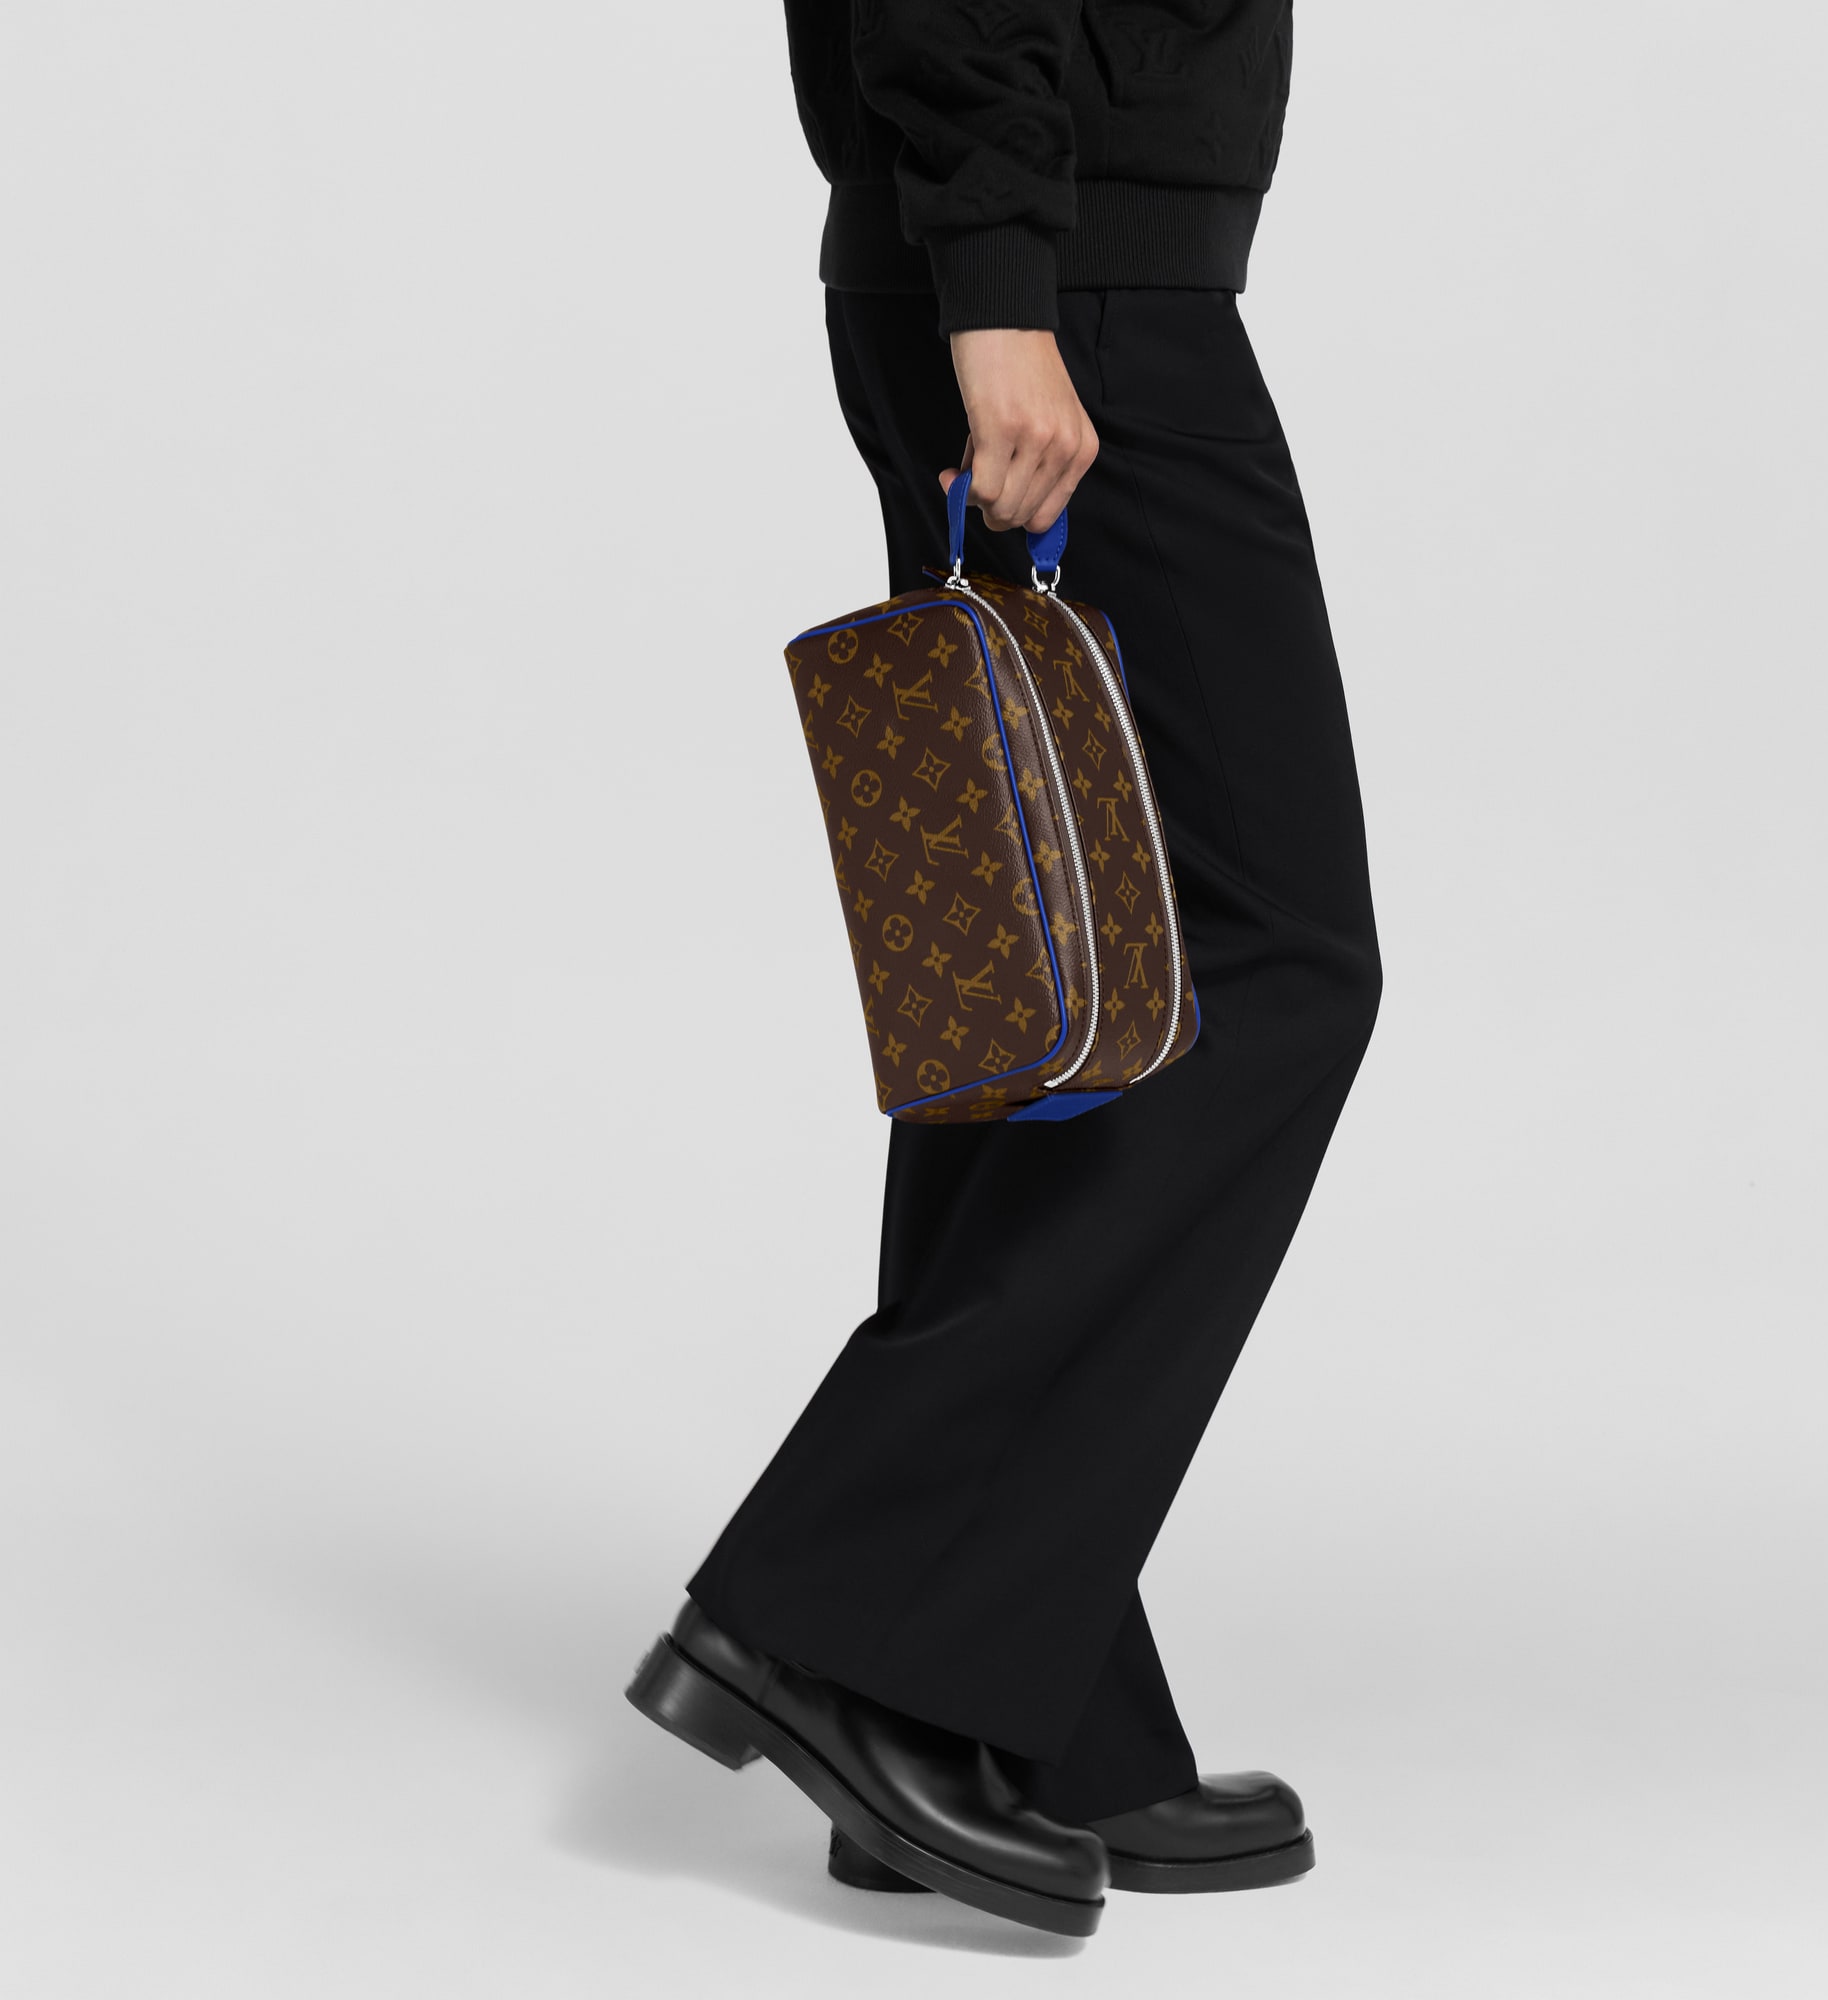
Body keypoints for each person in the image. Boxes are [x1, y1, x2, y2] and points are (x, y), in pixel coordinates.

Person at [626, 1, 1382, 1940]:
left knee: (1057, 989)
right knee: (1274, 961)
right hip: (1060, 282)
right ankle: (837, 1619)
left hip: (1038, 256)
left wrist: (989, 265)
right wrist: (1003, 288)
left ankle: (999, 1697)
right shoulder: (1038, 278)